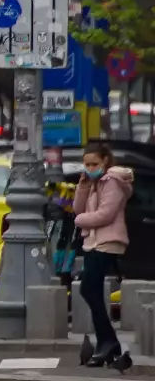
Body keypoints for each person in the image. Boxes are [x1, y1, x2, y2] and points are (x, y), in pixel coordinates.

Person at [73, 143, 133, 367]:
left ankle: (108, 342)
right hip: (93, 242)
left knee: (88, 288)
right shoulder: (94, 183)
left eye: (94, 164)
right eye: (87, 164)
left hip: (108, 242)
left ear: (105, 161)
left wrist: (79, 221)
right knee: (91, 290)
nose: (90, 168)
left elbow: (105, 214)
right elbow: (78, 208)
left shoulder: (112, 182)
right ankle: (106, 344)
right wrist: (83, 186)